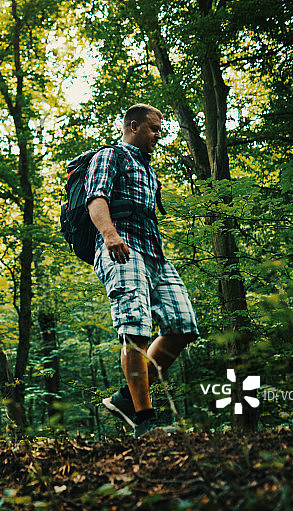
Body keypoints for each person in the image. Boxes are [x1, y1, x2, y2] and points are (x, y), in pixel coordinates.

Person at [85, 104, 199, 437]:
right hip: (122, 248)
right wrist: (110, 235)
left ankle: (126, 398)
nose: (158, 135)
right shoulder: (109, 157)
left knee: (183, 325)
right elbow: (96, 198)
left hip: (155, 255)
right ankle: (144, 418)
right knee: (134, 328)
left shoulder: (149, 170)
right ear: (134, 126)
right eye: (153, 129)